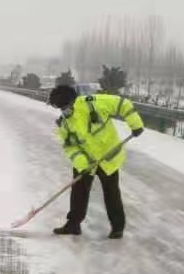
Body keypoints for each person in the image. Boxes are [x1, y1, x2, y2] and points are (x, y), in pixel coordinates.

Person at [46, 83, 144, 239]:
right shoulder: (64, 122)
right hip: (86, 162)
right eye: (60, 109)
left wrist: (135, 123)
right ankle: (73, 225)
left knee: (111, 193)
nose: (63, 111)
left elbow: (122, 104)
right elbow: (70, 147)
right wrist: (82, 163)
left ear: (71, 101)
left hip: (108, 157)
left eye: (64, 107)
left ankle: (117, 227)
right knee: (78, 192)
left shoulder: (93, 102)